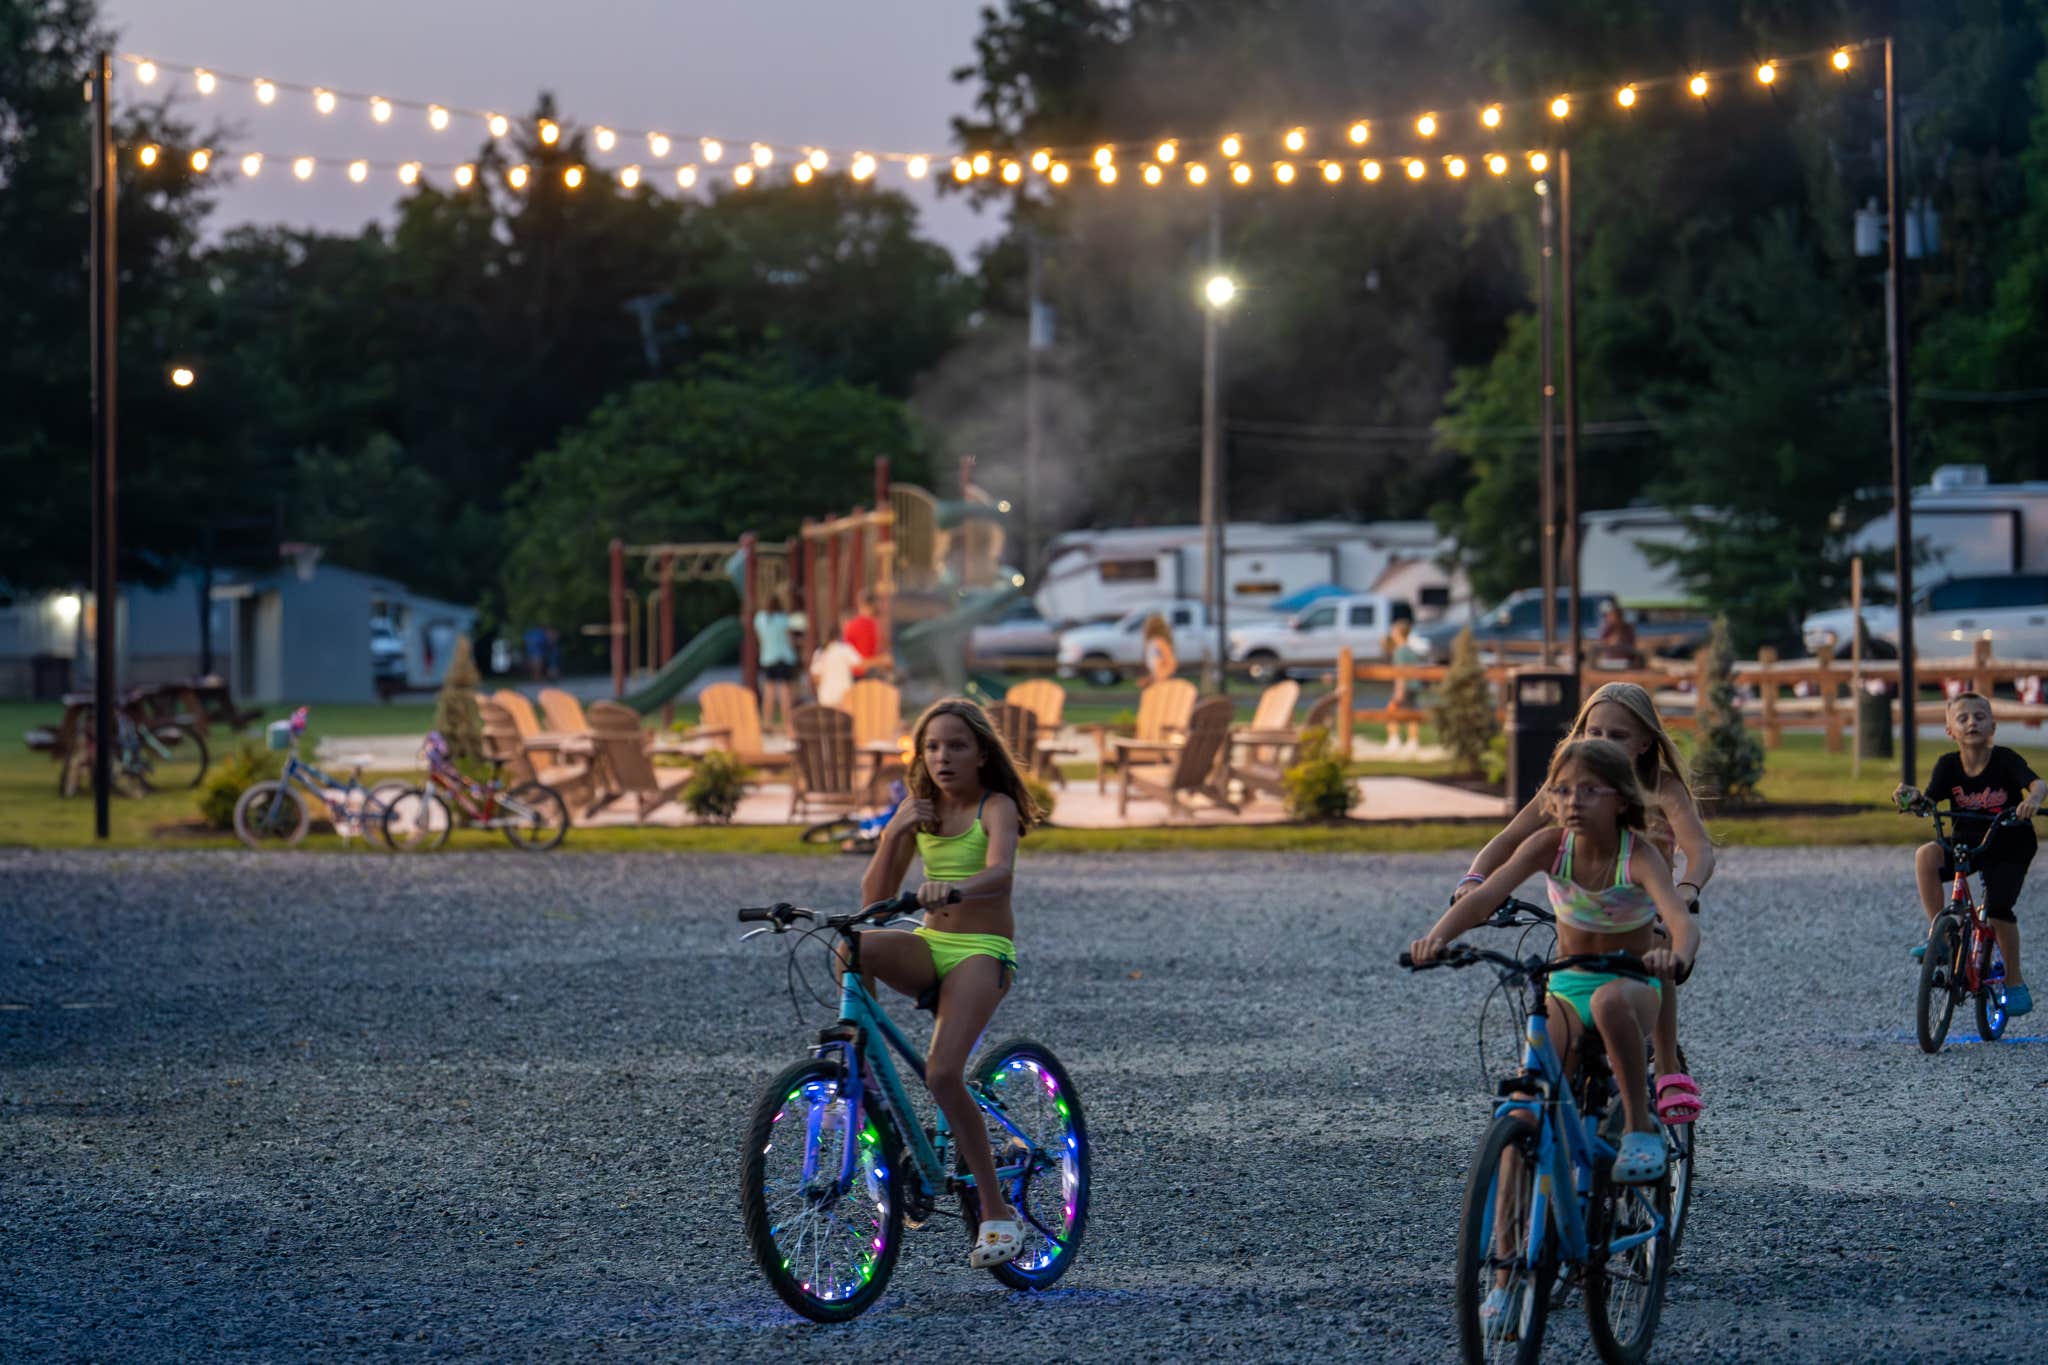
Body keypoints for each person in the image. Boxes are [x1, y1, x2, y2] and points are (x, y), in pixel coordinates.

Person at [1413, 738, 1699, 1186]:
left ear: (1621, 799)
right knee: (1533, 1096)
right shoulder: (1550, 845)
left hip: (1633, 986)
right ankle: (1510, 1252)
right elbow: (1485, 898)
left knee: (1608, 1003)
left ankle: (1639, 1129)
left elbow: (1680, 921)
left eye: (1588, 791)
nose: (1572, 802)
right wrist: (1436, 938)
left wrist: (1676, 955)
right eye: (1562, 791)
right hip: (1568, 986)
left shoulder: (1637, 854)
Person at [1454, 681, 1714, 1124]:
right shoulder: (1569, 789)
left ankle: (1667, 1068)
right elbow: (1510, 839)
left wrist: (1687, 889)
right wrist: (1474, 878)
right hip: (1586, 913)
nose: (1602, 744)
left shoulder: (1662, 788)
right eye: (1593, 733)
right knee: (1559, 1001)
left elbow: (1700, 849)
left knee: (1657, 942)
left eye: (1618, 736)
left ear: (1646, 741)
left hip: (1644, 910)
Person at [845, 699, 1044, 1269]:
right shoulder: (921, 812)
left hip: (981, 951)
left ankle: (995, 1210)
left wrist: (953, 889)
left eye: (956, 745)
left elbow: (1002, 870)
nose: (943, 757)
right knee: (850, 942)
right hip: (931, 946)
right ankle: (864, 1074)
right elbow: (872, 905)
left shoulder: (994, 805)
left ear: (982, 752)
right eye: (932, 746)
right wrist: (893, 833)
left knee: (941, 1073)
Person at [1896, 691, 2043, 1016]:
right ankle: (1942, 939)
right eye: (1962, 718)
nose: (1972, 722)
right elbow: (1931, 802)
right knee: (1925, 855)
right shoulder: (1948, 766)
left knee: (1998, 909)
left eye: (1979, 716)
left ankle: (2015, 981)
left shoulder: (2004, 759)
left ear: (1993, 725)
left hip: (2010, 844)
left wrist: (2032, 801)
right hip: (1968, 843)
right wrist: (1913, 799)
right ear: (1950, 730)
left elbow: (2037, 783)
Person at [753, 591, 804, 731]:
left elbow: (760, 638)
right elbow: (789, 639)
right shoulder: (783, 619)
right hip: (784, 657)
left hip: (767, 658)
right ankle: (787, 723)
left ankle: (766, 722)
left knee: (768, 692)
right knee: (784, 692)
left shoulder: (759, 619)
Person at [1387, 617, 1427, 753]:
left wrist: (1399, 690)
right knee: (1412, 713)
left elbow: (1400, 673)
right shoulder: (1411, 650)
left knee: (1391, 711)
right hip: (1414, 685)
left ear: (1398, 633)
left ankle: (1394, 739)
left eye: (1393, 631)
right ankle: (1413, 741)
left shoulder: (1399, 651)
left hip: (1404, 686)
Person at [842, 592, 883, 678]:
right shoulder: (875, 625)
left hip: (851, 675)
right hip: (870, 673)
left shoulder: (850, 626)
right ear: (872, 606)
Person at [1597, 603, 1638, 670]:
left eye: (1618, 616)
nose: (1615, 618)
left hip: (1624, 660)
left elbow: (1632, 646)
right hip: (1609, 660)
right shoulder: (1607, 628)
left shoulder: (1627, 628)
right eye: (1613, 616)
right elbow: (1602, 643)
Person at [1140, 613, 1176, 688]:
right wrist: (1149, 679)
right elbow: (1156, 666)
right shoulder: (1152, 643)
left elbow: (1171, 664)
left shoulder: (1159, 642)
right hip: (1157, 683)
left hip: (1163, 684)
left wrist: (1159, 677)